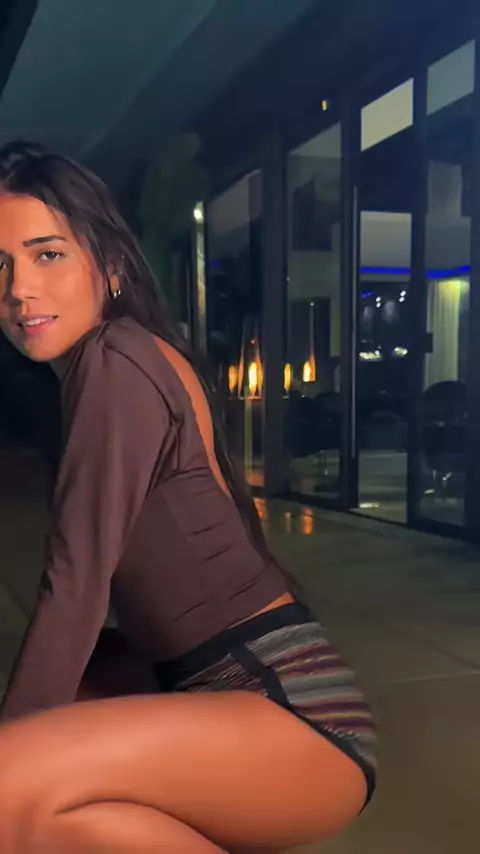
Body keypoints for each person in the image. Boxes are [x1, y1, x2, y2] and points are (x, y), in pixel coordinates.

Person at [0, 141, 377, 854]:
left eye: (47, 255)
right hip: (217, 693)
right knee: (48, 812)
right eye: (0, 265)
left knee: (10, 789)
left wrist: (11, 759)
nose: (19, 289)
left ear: (110, 264)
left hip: (292, 716)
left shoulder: (115, 360)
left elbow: (75, 585)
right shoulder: (126, 356)